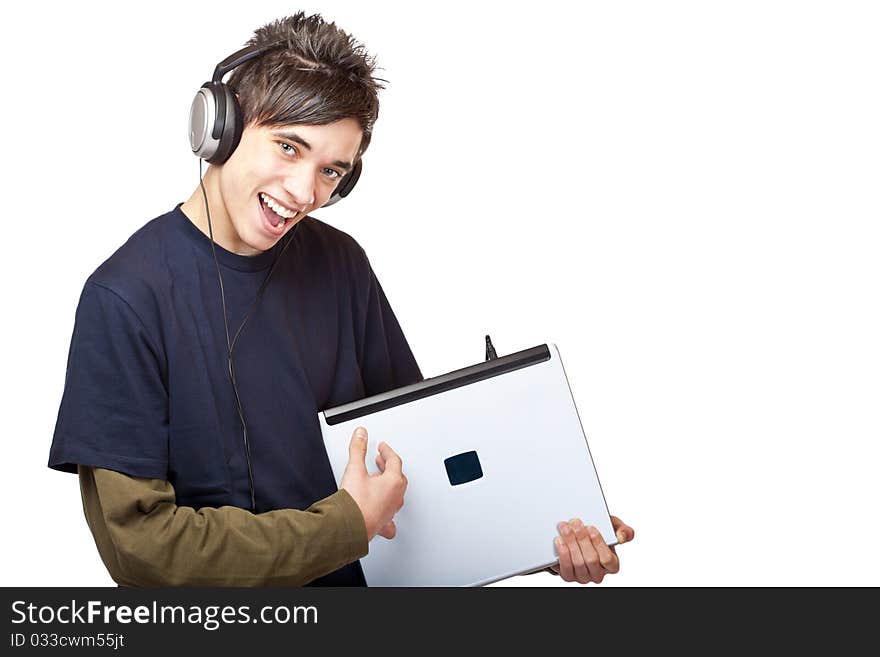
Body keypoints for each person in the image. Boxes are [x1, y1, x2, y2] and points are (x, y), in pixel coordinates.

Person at [48, 12, 633, 587]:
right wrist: (345, 525)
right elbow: (145, 554)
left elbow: (413, 464)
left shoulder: (340, 262)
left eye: (331, 170)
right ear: (220, 129)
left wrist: (541, 536)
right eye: (287, 147)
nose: (304, 193)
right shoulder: (123, 299)